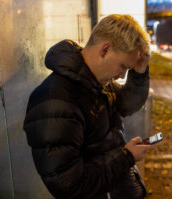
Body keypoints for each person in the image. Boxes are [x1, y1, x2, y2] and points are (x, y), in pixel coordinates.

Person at [23, 14, 154, 199]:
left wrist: (139, 73)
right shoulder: (53, 101)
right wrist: (126, 158)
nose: (123, 76)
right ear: (105, 50)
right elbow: (70, 185)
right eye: (123, 66)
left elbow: (126, 105)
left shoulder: (97, 83)